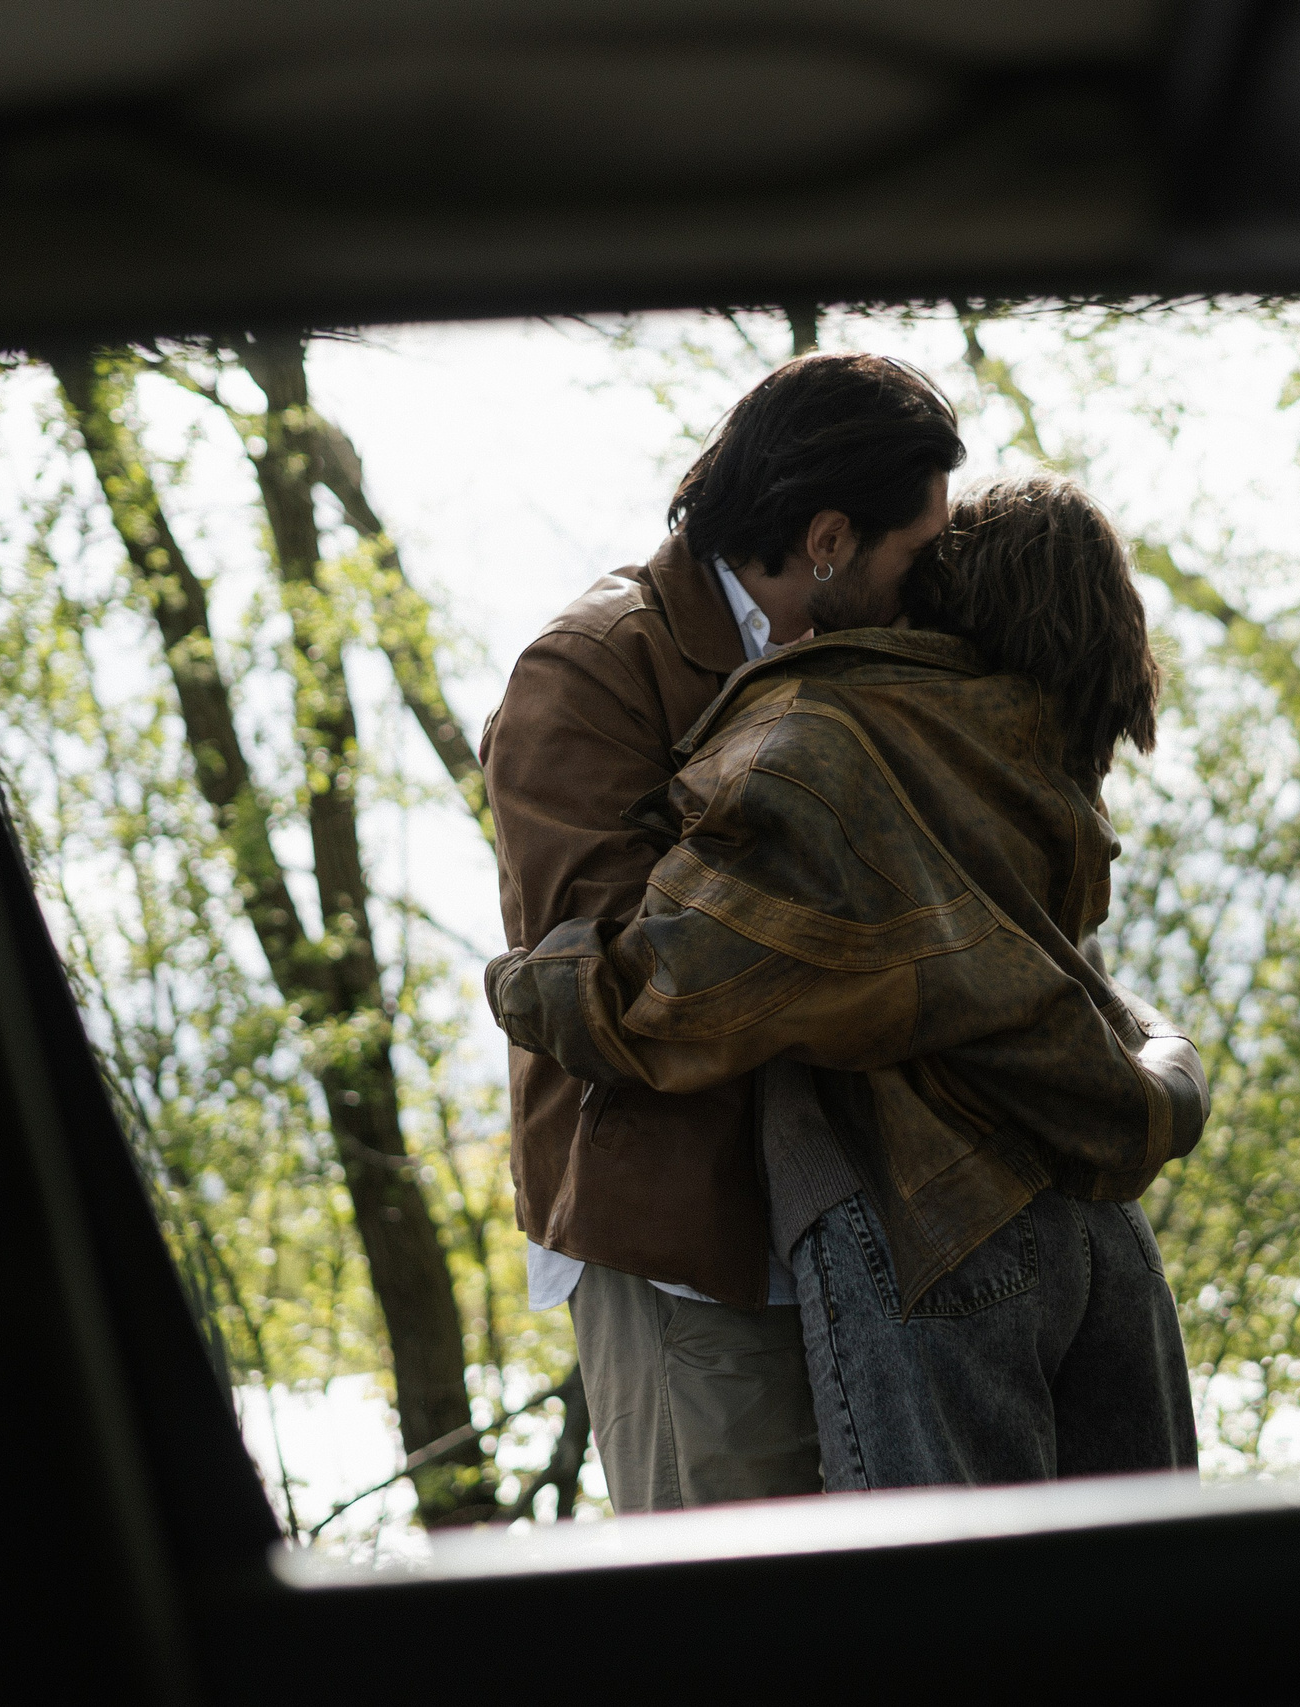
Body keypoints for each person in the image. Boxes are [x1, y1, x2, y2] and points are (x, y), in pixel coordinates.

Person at [488, 471, 1207, 1488]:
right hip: (1097, 1223)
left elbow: (682, 977)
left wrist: (530, 984)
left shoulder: (845, 728)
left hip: (932, 1216)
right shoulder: (1046, 742)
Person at [478, 351, 963, 1512]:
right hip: (686, 1247)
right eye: (917, 553)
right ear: (832, 538)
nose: (928, 585)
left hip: (850, 1242)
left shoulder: (858, 662)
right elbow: (617, 984)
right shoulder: (591, 669)